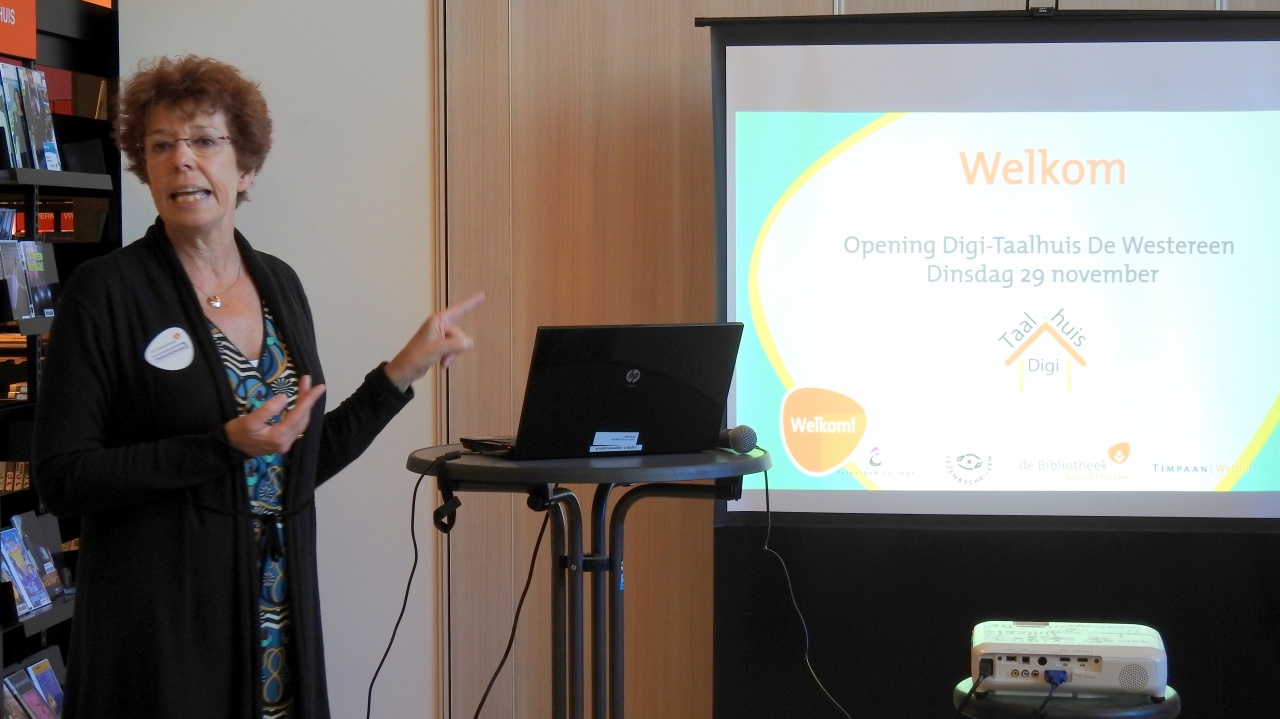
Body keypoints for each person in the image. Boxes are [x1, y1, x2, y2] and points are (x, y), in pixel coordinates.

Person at [31, 55, 484, 719]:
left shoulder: (280, 284)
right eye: (161, 146)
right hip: (163, 633)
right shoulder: (104, 292)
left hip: (277, 615)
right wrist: (221, 445)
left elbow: (299, 464)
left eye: (204, 141)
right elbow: (63, 479)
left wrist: (402, 370)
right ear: (145, 169)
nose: (183, 160)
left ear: (245, 168)